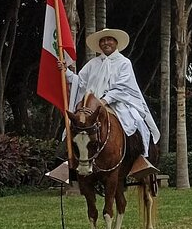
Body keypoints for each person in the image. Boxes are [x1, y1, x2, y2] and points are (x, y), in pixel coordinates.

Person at [57, 28, 160, 178]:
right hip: (92, 105)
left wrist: (105, 101)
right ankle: (68, 160)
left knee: (136, 121)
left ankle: (141, 159)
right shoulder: (93, 63)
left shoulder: (124, 63)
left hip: (118, 103)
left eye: (109, 39)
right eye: (103, 40)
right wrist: (65, 71)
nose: (106, 43)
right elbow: (80, 82)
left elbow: (123, 87)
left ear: (116, 42)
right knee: (74, 125)